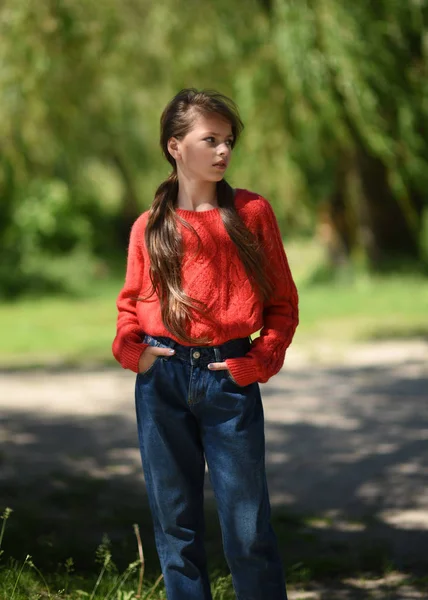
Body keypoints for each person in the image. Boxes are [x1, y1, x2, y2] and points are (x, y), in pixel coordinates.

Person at [112, 88, 299, 600]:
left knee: (248, 530)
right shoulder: (149, 227)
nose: (223, 152)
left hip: (228, 379)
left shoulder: (252, 213)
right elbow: (129, 308)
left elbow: (283, 305)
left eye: (228, 141)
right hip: (162, 383)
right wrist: (136, 354)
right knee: (176, 529)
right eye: (209, 139)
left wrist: (257, 361)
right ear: (175, 146)